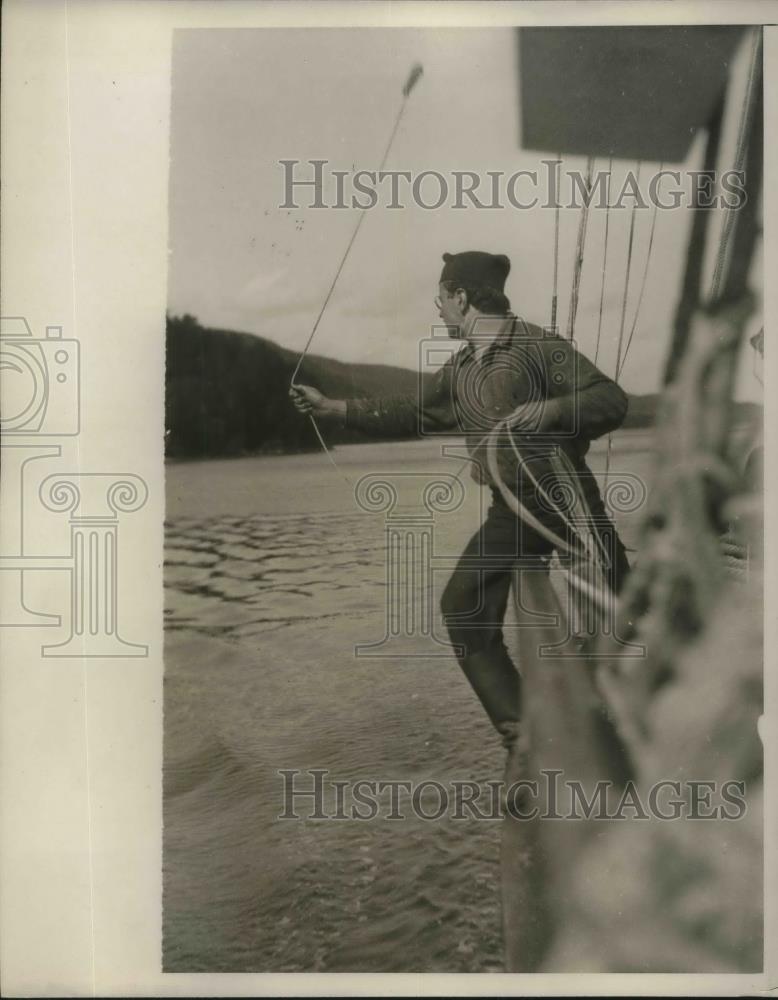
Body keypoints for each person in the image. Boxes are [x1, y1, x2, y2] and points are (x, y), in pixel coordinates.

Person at [290, 250, 630, 754]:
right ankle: (526, 736)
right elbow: (414, 410)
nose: (440, 310)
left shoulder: (539, 347)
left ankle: (650, 730)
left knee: (623, 624)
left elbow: (612, 400)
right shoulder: (463, 367)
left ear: (462, 297)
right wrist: (333, 408)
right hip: (510, 511)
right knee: (462, 607)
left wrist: (552, 410)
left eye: (442, 301)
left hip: (570, 504)